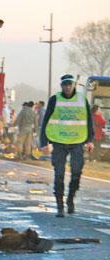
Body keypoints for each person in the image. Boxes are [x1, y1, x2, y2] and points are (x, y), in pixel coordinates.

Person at [39, 74, 95, 217]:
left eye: (70, 84)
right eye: (65, 85)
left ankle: (70, 199)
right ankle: (59, 205)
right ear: (62, 86)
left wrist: (90, 140)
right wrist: (43, 143)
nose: (68, 87)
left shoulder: (82, 99)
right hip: (58, 141)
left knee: (76, 172)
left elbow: (88, 120)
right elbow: (45, 122)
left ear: (73, 85)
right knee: (59, 174)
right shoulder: (55, 99)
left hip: (77, 141)